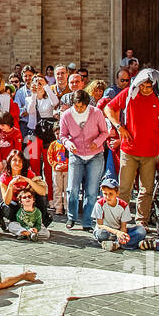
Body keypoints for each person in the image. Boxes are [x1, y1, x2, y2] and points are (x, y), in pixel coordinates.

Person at [104, 70, 159, 227]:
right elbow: (109, 108)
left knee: (146, 189)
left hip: (151, 151)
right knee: (124, 188)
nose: (145, 89)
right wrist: (119, 127)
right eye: (142, 86)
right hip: (129, 150)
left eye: (149, 87)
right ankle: (120, 220)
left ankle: (141, 222)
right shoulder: (129, 94)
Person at [59, 89, 108, 230]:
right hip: (76, 154)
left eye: (82, 106)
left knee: (91, 191)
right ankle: (71, 217)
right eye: (77, 106)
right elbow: (62, 135)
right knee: (72, 189)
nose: (79, 109)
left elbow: (105, 132)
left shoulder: (96, 113)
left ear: (87, 105)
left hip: (95, 155)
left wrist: (97, 142)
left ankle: (87, 221)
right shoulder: (66, 115)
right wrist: (68, 143)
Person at [91, 178, 149, 251]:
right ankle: (130, 243)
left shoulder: (123, 205)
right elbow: (100, 225)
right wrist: (117, 233)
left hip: (118, 230)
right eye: (105, 194)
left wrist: (121, 234)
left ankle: (116, 244)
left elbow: (123, 226)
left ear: (117, 193)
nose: (108, 197)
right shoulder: (99, 204)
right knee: (102, 234)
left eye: (111, 194)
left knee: (141, 230)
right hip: (106, 231)